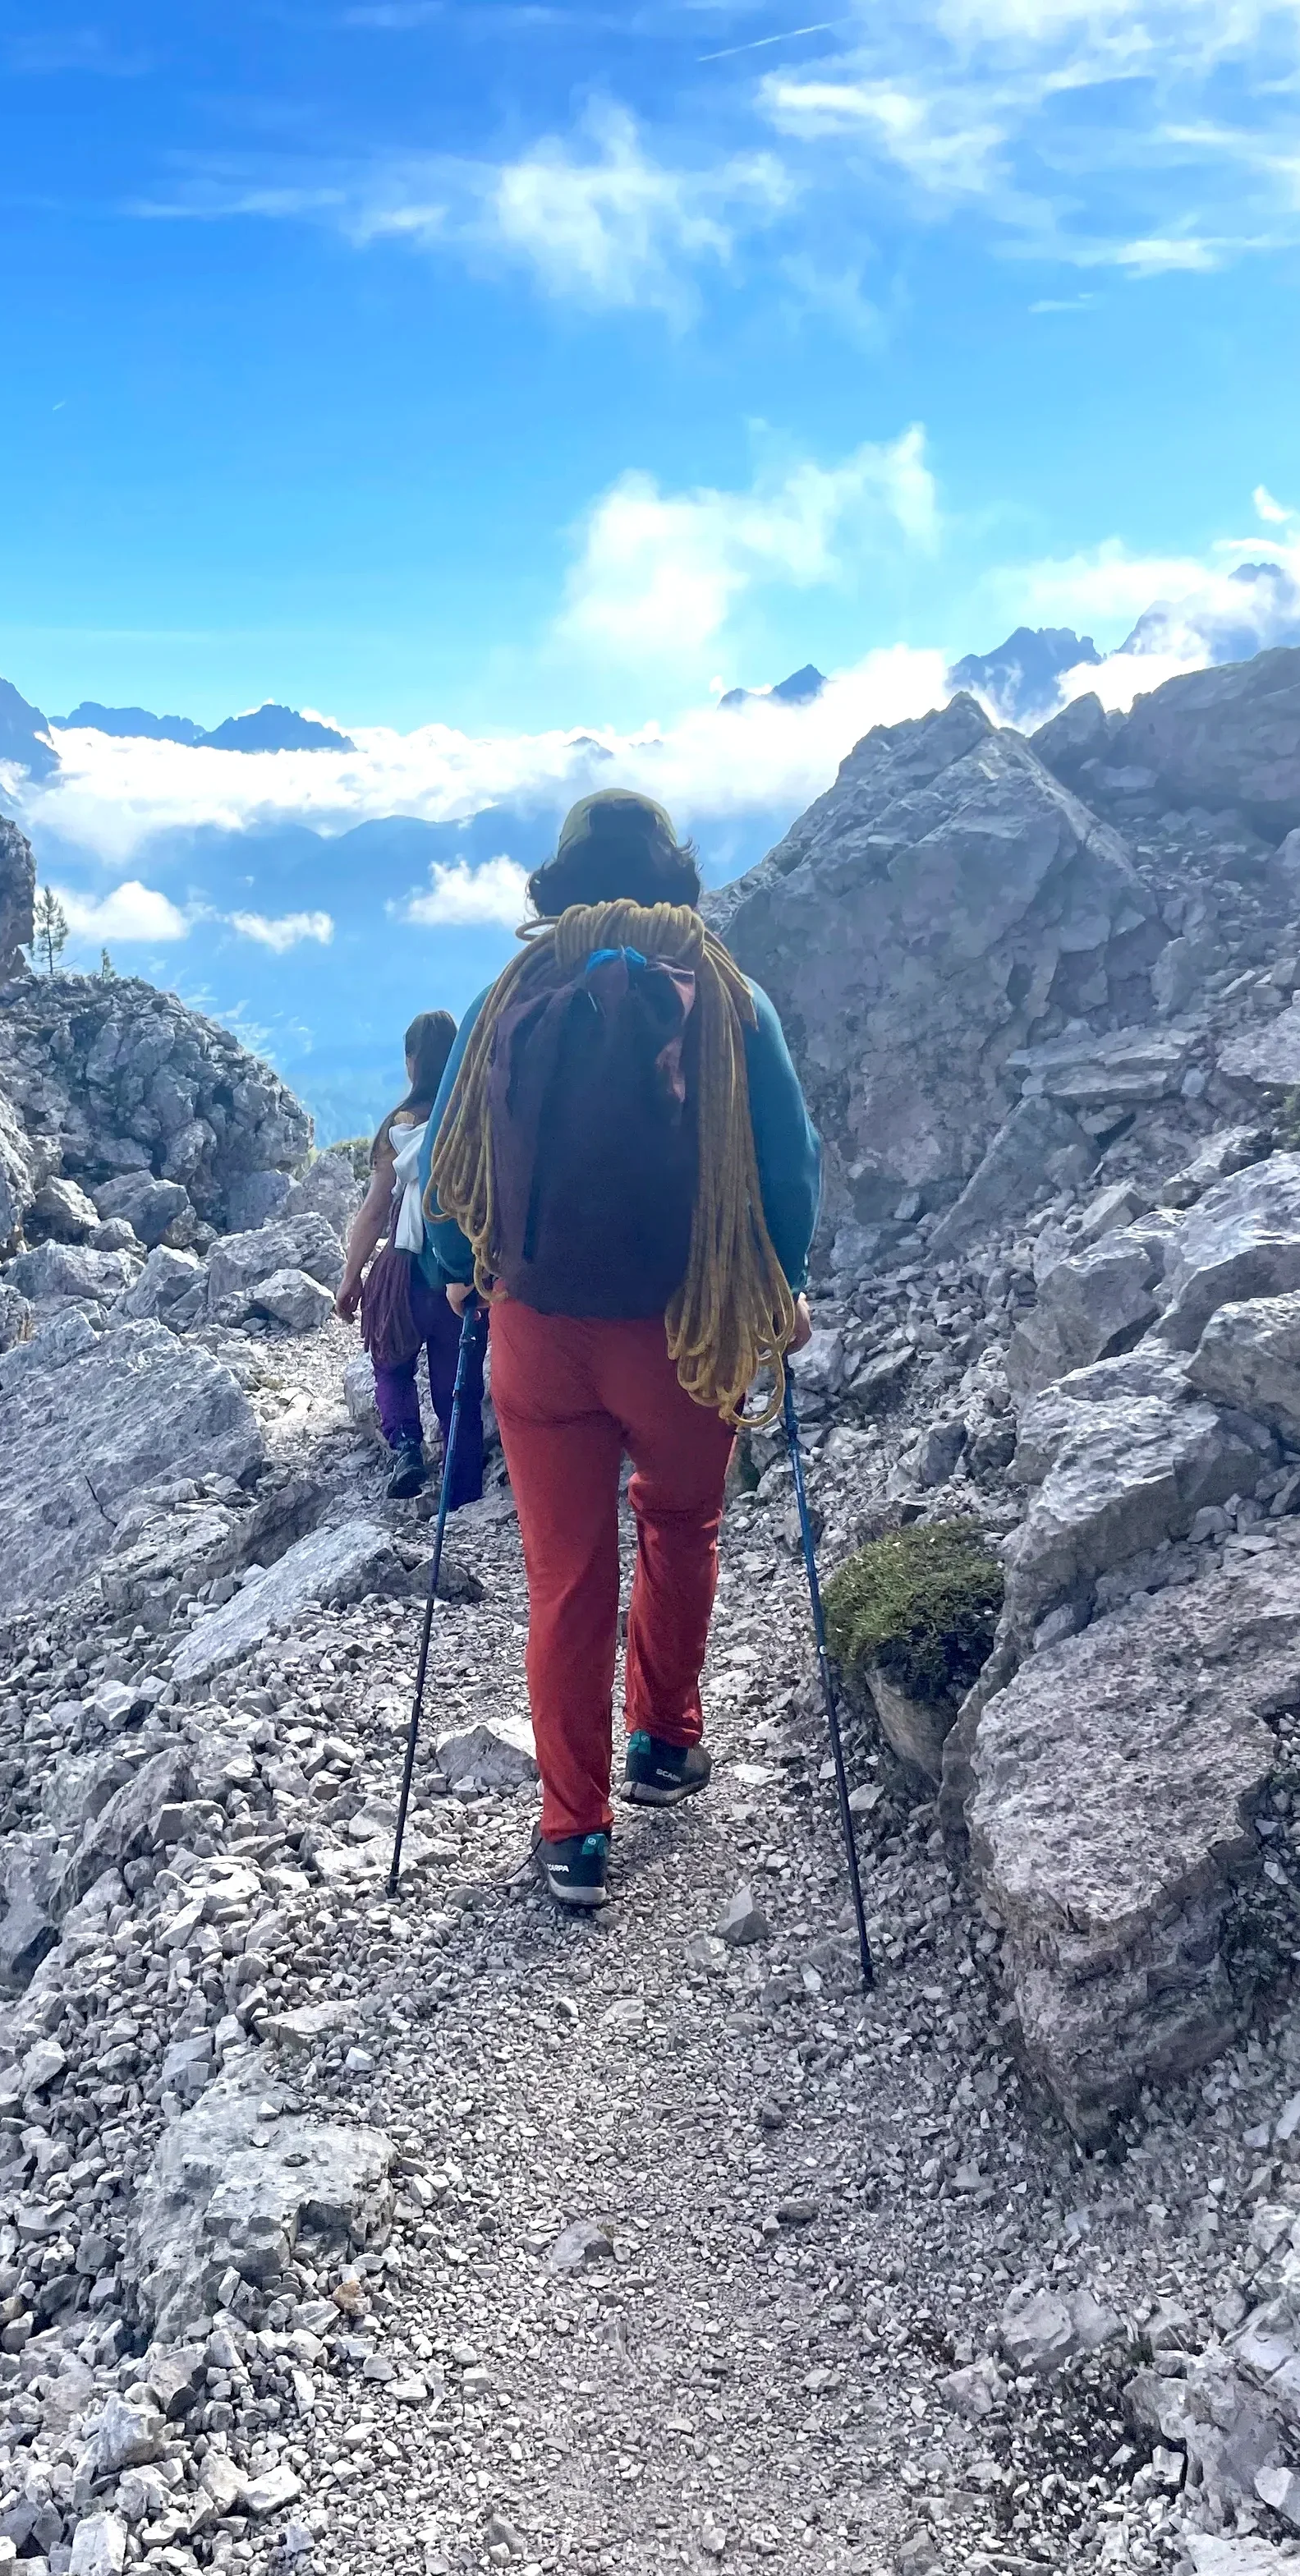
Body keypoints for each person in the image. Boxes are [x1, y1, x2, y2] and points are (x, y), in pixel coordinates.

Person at [422, 790, 820, 1911]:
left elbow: (447, 1166)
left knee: (566, 1575)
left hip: (537, 1332)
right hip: (683, 1329)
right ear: (672, 877)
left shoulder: (511, 991)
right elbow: (786, 1164)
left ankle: (574, 1832)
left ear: (562, 885)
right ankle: (662, 1741)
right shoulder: (732, 999)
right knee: (680, 1523)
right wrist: (781, 1282)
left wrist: (457, 1263)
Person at [335, 1009, 487, 1503]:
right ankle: (461, 1487)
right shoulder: (474, 1119)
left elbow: (375, 1209)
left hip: (404, 1272)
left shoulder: (398, 1127)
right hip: (462, 1272)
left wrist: (352, 1275)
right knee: (456, 1384)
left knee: (389, 1358)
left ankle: (405, 1447)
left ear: (412, 1061)